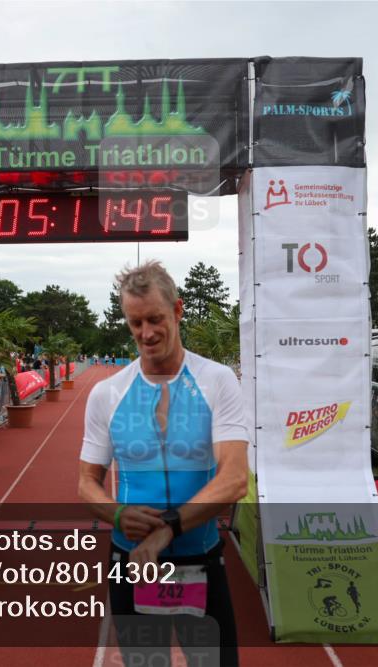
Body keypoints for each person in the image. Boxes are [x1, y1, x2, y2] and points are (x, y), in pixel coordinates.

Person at [78, 261, 249, 667]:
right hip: (132, 559)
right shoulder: (108, 393)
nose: (146, 333)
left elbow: (235, 479)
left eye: (155, 319)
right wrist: (117, 513)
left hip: (199, 557)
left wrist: (168, 529)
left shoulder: (217, 380)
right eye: (135, 323)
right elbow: (86, 482)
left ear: (178, 310)